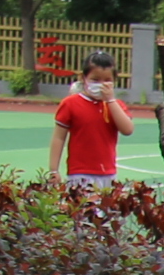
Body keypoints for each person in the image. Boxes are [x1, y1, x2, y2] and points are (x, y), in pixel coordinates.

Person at [49, 51, 137, 185]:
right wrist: (53, 170)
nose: (101, 84)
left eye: (107, 80)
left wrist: (110, 100)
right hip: (80, 173)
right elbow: (58, 137)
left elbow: (127, 130)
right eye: (95, 80)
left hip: (108, 173)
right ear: (83, 78)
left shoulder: (115, 106)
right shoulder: (70, 104)